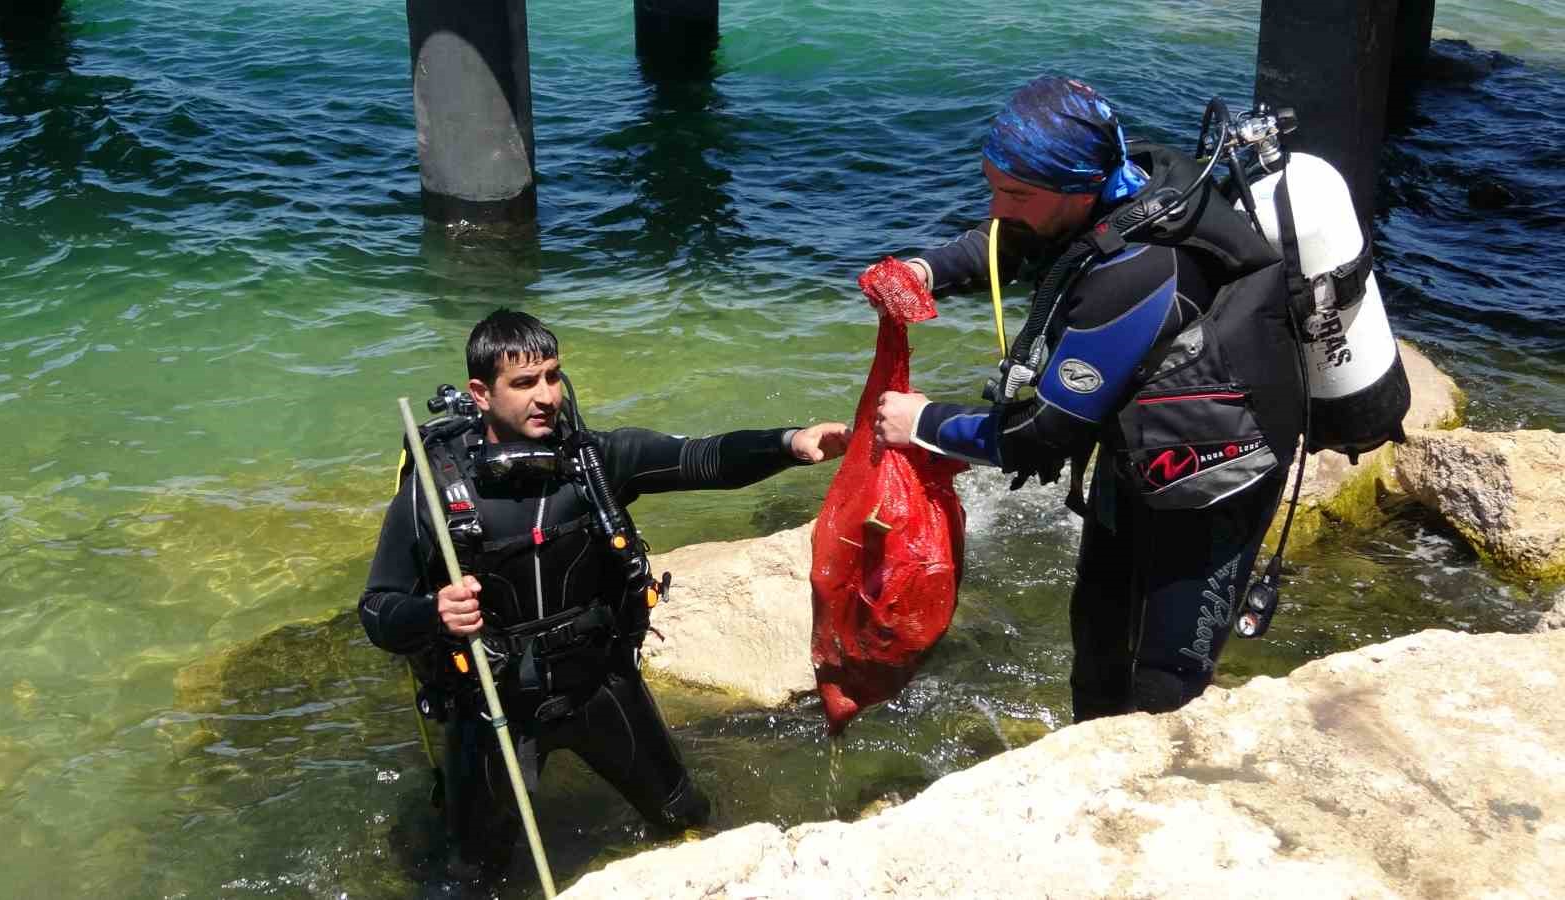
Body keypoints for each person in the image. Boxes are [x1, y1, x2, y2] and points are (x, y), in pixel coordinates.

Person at [865, 76, 1303, 722]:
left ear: (1079, 188)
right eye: (991, 185)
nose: (996, 207)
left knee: (1164, 683)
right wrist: (928, 269)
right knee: (1098, 640)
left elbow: (1042, 432)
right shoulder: (1120, 183)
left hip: (1218, 472)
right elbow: (1015, 238)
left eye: (1014, 193)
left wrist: (921, 421)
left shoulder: (1138, 274)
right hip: (1143, 446)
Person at [359, 308, 850, 877]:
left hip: (598, 683)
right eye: (523, 383)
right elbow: (377, 610)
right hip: (493, 708)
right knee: (476, 874)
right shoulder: (433, 494)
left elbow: (701, 459)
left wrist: (791, 442)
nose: (546, 396)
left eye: (551, 376)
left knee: (684, 816)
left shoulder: (594, 462)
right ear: (481, 393)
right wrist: (433, 613)